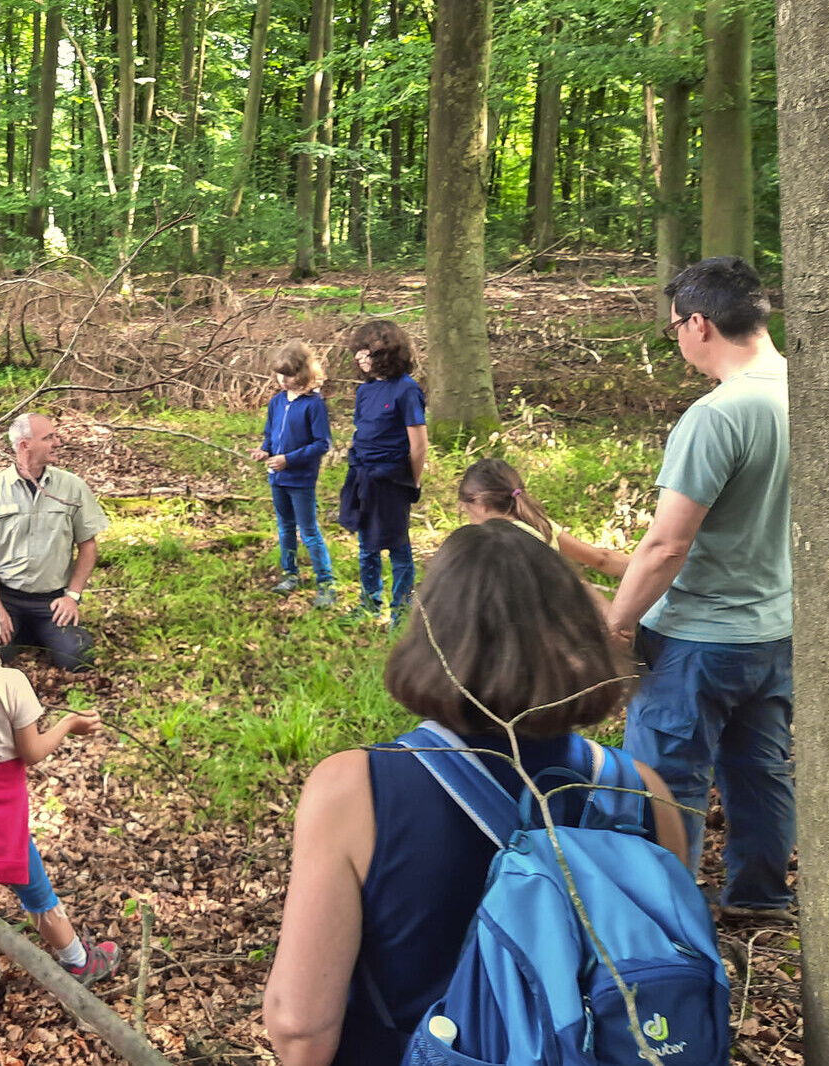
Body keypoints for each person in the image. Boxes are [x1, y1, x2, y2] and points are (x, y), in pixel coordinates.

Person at [262, 521, 686, 1064]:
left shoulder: (356, 789)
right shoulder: (643, 793)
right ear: (579, 633)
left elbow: (303, 1027)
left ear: (433, 635)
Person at [606, 257, 795, 921]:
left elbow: (667, 545)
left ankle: (665, 918)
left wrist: (619, 624)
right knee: (761, 773)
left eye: (675, 327)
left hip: (697, 636)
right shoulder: (810, 393)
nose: (677, 338)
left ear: (698, 323)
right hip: (777, 630)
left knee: (664, 783)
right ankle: (761, 898)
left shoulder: (720, 415)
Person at [0, 571, 120, 1022]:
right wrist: (68, 724)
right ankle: (77, 959)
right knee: (35, 889)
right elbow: (30, 752)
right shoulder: (9, 683)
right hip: (1, 815)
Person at [0, 413, 109, 670]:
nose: (58, 443)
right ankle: (23, 631)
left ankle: (38, 631)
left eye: (55, 436)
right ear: (24, 445)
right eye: (49, 437)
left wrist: (72, 596)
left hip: (52, 602)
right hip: (6, 597)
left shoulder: (72, 487)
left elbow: (88, 546)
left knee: (79, 658)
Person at [337, 320, 427, 623]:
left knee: (398, 547)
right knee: (366, 545)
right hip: (363, 475)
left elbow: (418, 445)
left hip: (392, 478)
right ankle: (369, 602)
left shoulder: (407, 390)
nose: (359, 358)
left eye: (367, 352)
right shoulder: (366, 391)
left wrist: (413, 481)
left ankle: (400, 612)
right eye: (358, 352)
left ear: (386, 353)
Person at [251, 341, 335, 608]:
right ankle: (290, 574)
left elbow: (322, 444)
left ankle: (326, 583)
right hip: (277, 478)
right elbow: (270, 434)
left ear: (304, 373)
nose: (283, 380)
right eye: (280, 374)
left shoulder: (313, 404)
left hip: (301, 479)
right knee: (284, 527)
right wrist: (265, 450)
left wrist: (289, 460)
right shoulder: (277, 402)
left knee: (308, 530)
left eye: (289, 375)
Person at [455, 458, 628, 579]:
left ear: (480, 503)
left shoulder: (491, 543)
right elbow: (601, 559)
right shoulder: (539, 524)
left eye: (467, 510)